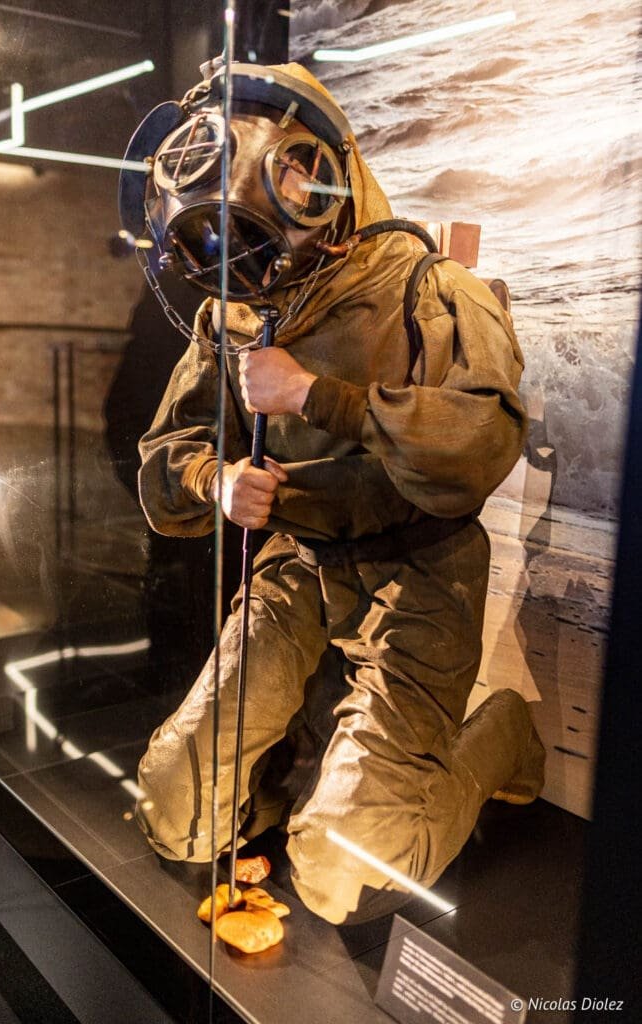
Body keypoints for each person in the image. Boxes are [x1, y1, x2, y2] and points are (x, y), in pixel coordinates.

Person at [132, 62, 545, 925]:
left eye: (289, 170)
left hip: (419, 567)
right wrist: (217, 481)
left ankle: (503, 733)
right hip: (297, 563)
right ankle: (298, 782)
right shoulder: (232, 315)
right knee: (175, 814)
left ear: (326, 175)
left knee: (339, 874)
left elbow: (477, 448)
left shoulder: (431, 290)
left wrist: (316, 397)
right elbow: (169, 457)